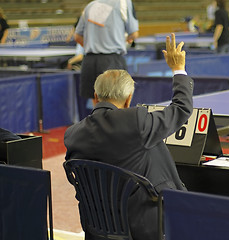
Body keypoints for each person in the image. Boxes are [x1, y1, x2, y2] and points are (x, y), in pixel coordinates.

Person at [64, 33, 193, 240]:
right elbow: (182, 108)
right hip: (142, 225)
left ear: (95, 97)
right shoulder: (137, 122)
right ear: (129, 99)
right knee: (153, 144)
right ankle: (180, 198)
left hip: (97, 224)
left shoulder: (72, 134)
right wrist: (178, 68)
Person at [74, 0, 139, 106]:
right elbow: (134, 34)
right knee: (117, 106)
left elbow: (77, 36)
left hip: (90, 61)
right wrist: (123, 40)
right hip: (112, 60)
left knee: (97, 107)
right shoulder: (124, 2)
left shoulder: (90, 6)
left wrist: (93, 45)